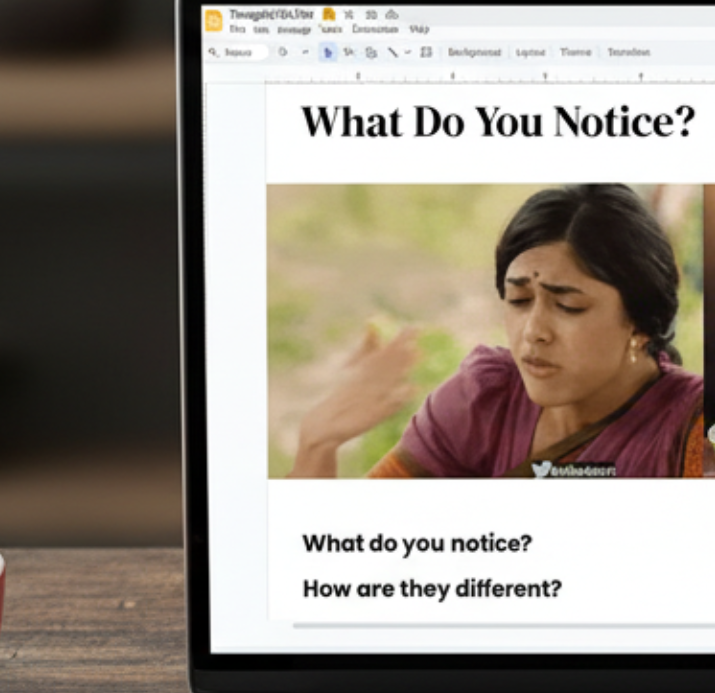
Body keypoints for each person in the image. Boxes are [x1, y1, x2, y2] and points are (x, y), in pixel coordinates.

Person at [288, 184, 704, 479]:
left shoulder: (690, 429)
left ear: (640, 320)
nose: (533, 332)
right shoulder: (484, 401)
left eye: (568, 306)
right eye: (519, 301)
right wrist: (317, 446)